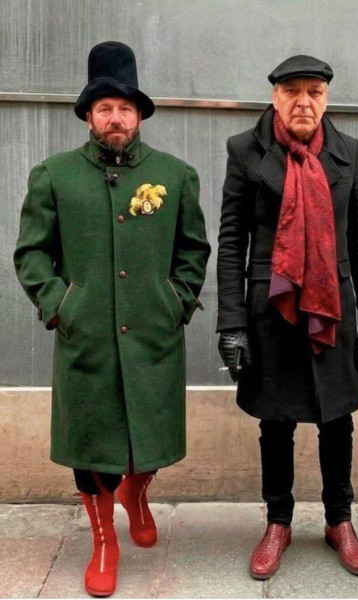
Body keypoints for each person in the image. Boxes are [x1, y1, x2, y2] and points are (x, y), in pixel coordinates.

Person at [14, 41, 210, 597]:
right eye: (105, 108)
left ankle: (136, 491)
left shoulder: (175, 175)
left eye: (125, 107)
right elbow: (31, 253)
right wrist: (62, 305)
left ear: (139, 114)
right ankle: (104, 541)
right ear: (89, 116)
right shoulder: (54, 175)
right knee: (90, 442)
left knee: (151, 432)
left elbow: (193, 250)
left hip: (153, 332)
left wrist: (176, 301)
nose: (116, 118)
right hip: (87, 337)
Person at [217, 55, 358, 579]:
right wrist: (231, 323)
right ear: (275, 97)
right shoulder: (245, 150)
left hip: (332, 305)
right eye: (293, 91)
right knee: (276, 419)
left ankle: (339, 521)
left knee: (337, 418)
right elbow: (231, 242)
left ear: (326, 99)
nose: (304, 102)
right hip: (271, 307)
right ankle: (278, 522)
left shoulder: (347, 151)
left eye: (315, 92)